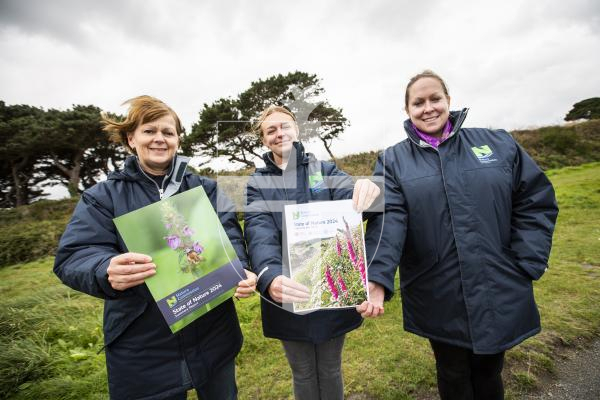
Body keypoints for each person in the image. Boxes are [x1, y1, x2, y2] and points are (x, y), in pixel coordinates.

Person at [359, 70, 559, 400]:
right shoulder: (393, 161)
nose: (428, 108)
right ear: (407, 110)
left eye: (434, 99)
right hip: (436, 287)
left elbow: (535, 200)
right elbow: (389, 219)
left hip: (498, 281)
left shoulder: (498, 143)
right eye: (418, 102)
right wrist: (377, 279)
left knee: (489, 371)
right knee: (452, 373)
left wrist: (527, 260)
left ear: (448, 101)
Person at [53, 95, 257, 400]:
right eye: (149, 131)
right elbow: (73, 256)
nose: (159, 139)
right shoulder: (102, 197)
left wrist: (240, 269)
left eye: (168, 132)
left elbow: (230, 236)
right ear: (130, 139)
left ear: (177, 140)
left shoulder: (206, 189)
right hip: (143, 345)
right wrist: (104, 269)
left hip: (213, 332)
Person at [244, 105, 380, 400]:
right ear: (264, 139)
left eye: (284, 126)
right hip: (287, 292)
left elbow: (353, 200)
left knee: (331, 368)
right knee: (303, 372)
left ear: (296, 130)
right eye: (271, 130)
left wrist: (368, 190)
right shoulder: (257, 183)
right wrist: (270, 277)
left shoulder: (325, 170)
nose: (279, 133)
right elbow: (259, 232)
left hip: (333, 288)